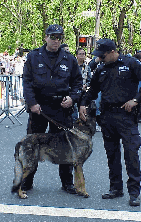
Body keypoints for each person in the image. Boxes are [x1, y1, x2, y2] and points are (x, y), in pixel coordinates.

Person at [79, 39, 141, 206]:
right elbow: (93, 90)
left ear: (113, 51)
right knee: (112, 154)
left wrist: (136, 100)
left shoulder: (130, 63)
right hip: (107, 116)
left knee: (131, 154)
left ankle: (134, 192)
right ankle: (115, 188)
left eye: (103, 55)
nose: (100, 58)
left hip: (126, 116)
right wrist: (83, 104)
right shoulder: (101, 68)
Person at [23, 24, 83, 194]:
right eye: (53, 37)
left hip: (61, 109)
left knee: (64, 147)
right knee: (33, 145)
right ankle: (27, 180)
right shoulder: (34, 57)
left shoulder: (69, 58)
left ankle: (67, 183)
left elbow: (77, 83)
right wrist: (32, 103)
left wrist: (72, 98)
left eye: (59, 38)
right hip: (39, 109)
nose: (56, 40)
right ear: (46, 37)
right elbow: (26, 82)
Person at [72, 48, 92, 122]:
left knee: (83, 110)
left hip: (83, 92)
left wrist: (85, 85)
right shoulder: (73, 66)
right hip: (73, 91)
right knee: (73, 110)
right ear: (76, 55)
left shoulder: (87, 67)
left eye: (83, 54)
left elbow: (90, 80)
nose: (82, 56)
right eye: (80, 54)